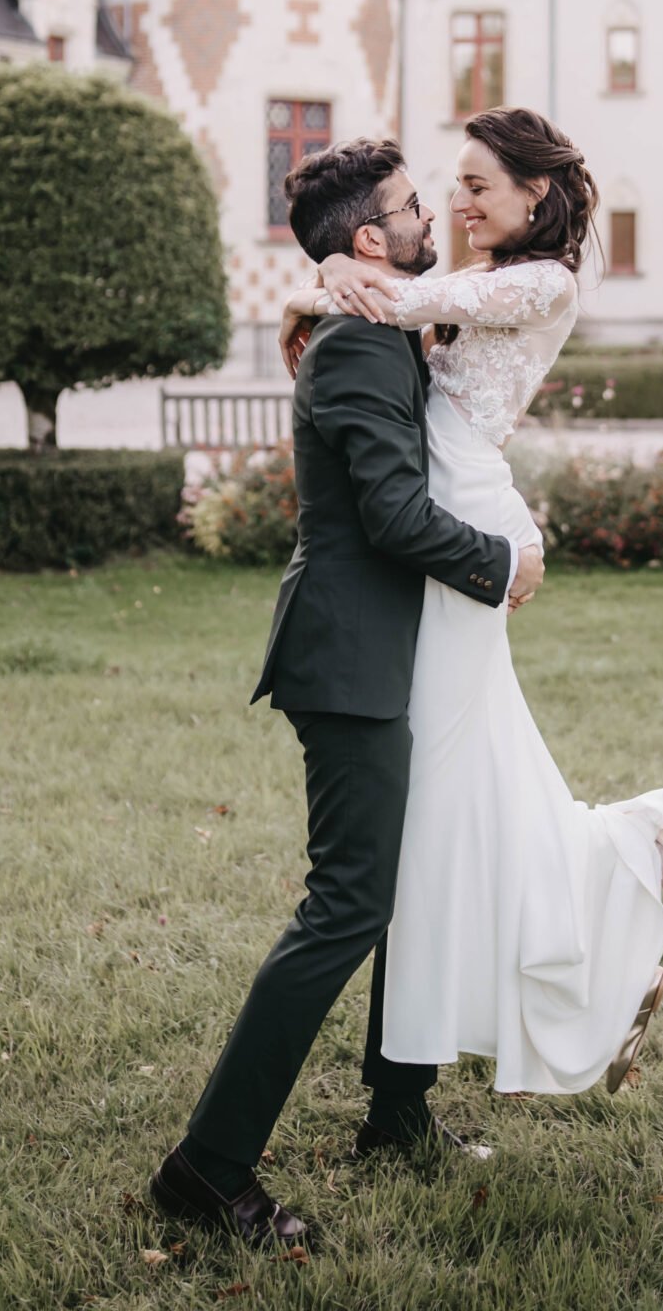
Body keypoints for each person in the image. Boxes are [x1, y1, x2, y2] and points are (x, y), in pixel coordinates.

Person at [280, 107, 663, 1112]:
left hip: (465, 512)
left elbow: (412, 297)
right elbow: (399, 298)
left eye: (479, 185)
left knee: (456, 781)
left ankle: (622, 862)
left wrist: (329, 271)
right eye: (449, 185)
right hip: (461, 502)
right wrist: (327, 271)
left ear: (536, 194)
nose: (457, 201)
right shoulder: (473, 283)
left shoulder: (543, 278)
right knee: (467, 775)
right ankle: (625, 859)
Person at [148, 136, 544, 1253]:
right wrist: (502, 561)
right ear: (373, 237)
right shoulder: (359, 347)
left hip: (382, 649)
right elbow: (391, 516)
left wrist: (326, 274)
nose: (431, 220)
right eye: (415, 207)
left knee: (401, 883)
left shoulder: (369, 314)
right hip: (352, 657)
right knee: (347, 905)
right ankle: (208, 1167)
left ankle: (398, 1112)